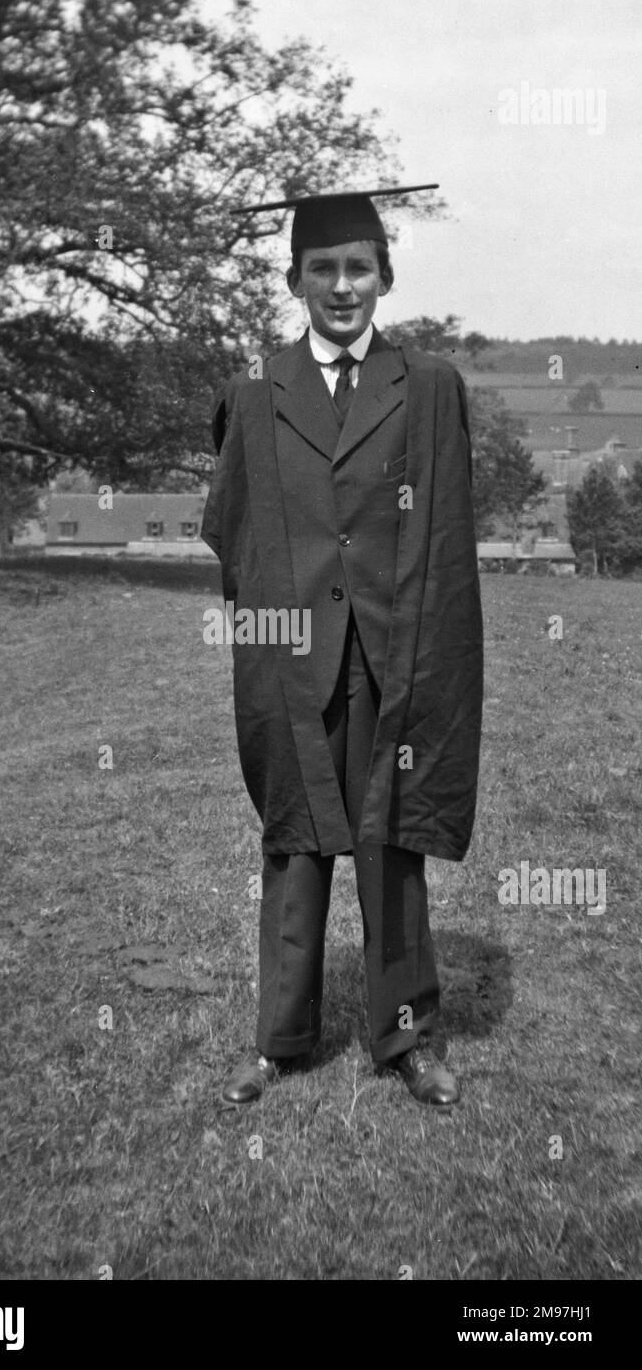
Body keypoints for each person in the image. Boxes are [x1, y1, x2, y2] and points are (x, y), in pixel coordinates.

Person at [201, 187, 483, 1107]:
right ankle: (280, 1041)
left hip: (393, 652)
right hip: (293, 655)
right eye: (321, 269)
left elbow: (441, 526)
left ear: (385, 278)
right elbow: (229, 529)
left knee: (389, 838)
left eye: (358, 268)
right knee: (293, 838)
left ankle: (407, 1039)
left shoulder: (427, 386)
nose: (341, 286)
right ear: (293, 279)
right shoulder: (254, 395)